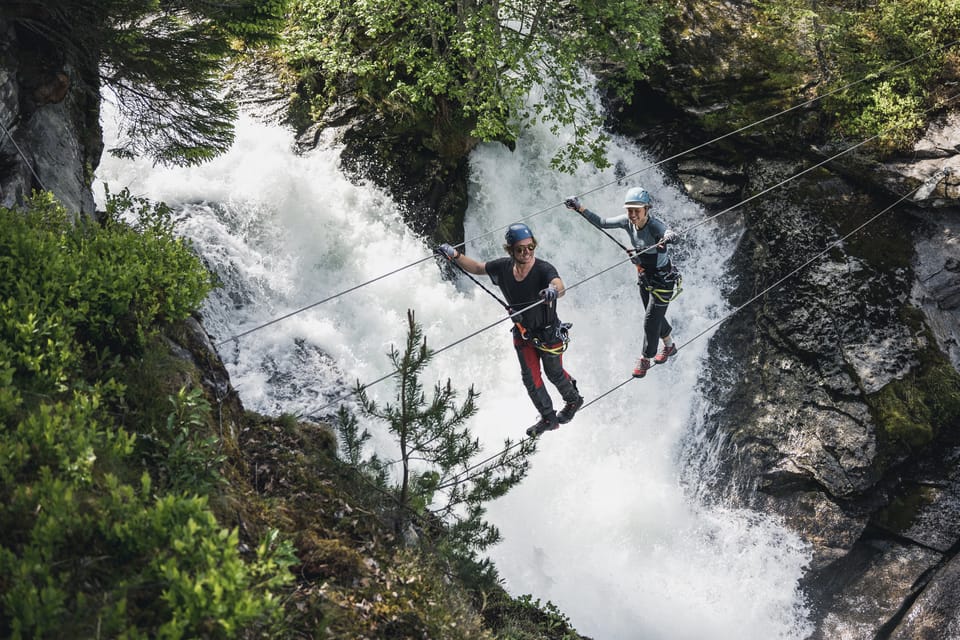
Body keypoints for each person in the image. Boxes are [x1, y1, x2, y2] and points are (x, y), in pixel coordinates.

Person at [439, 223, 584, 437]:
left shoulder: (544, 269)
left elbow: (558, 284)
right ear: (510, 250)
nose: (527, 252)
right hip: (523, 333)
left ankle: (573, 401)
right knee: (530, 378)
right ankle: (547, 417)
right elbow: (478, 268)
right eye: (520, 249)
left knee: (554, 373)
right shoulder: (503, 268)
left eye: (531, 247)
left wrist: (553, 291)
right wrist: (455, 255)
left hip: (548, 334)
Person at [565, 187, 680, 379]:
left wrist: (670, 236)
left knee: (650, 321)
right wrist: (579, 208)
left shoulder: (654, 226)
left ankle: (646, 357)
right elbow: (602, 222)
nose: (633, 214)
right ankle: (669, 346)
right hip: (645, 277)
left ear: (647, 209)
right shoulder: (627, 222)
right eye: (630, 210)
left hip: (663, 281)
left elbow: (667, 231)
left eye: (637, 210)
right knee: (653, 316)